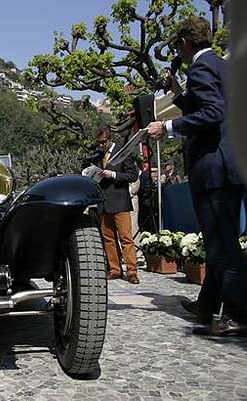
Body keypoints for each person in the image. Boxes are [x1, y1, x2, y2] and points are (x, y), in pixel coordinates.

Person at [147, 16, 246, 336]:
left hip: (213, 168)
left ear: (185, 44)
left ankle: (238, 313)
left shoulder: (201, 68)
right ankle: (207, 306)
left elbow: (213, 113)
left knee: (222, 246)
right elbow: (209, 104)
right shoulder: (223, 67)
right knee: (222, 240)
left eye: (177, 45)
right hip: (231, 164)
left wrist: (168, 127)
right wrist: (178, 90)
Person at [93, 126, 139, 284]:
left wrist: (113, 175)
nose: (101, 145)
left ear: (110, 138)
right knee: (108, 239)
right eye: (98, 143)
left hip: (120, 201)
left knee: (126, 238)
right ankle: (115, 269)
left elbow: (132, 175)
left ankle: (132, 271)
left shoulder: (122, 152)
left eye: (103, 142)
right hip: (104, 202)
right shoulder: (98, 155)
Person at [129, 159, 146, 267]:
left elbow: (133, 189)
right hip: (122, 203)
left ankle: (139, 254)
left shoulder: (134, 175)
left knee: (134, 227)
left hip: (131, 202)